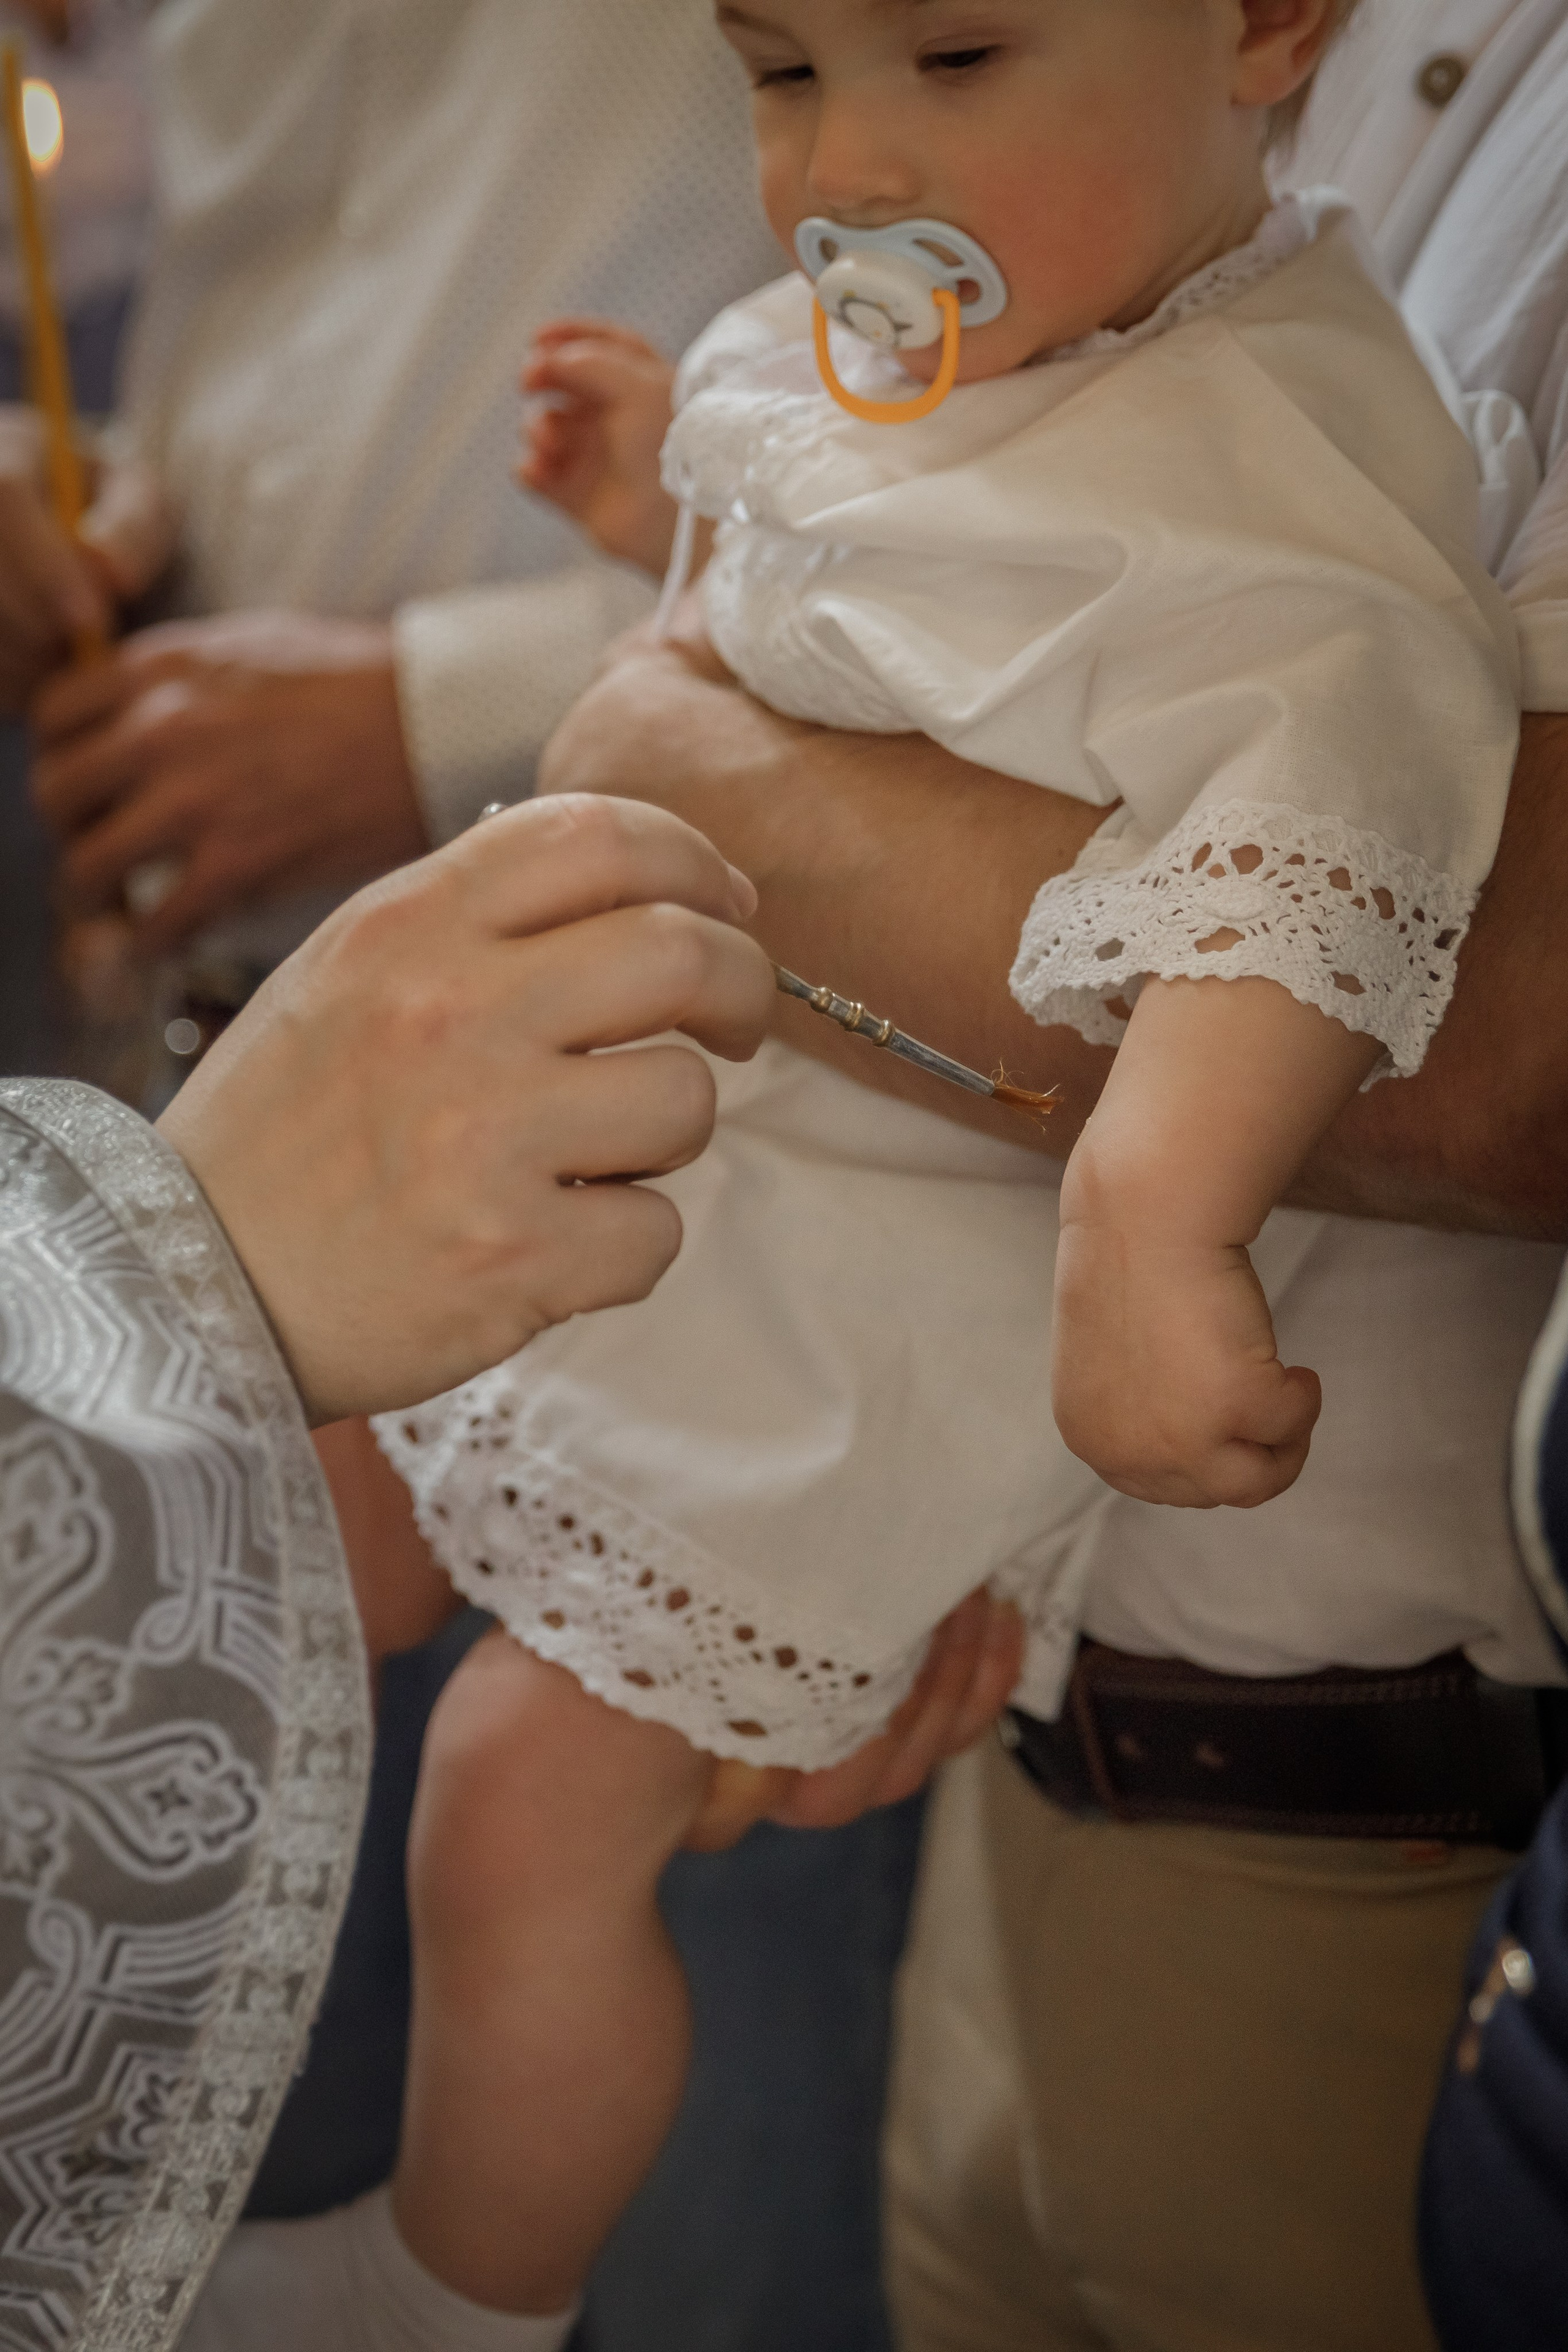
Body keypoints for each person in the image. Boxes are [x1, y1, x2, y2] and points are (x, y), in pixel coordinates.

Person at [309, 0, 1530, 2339]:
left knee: (513, 1811)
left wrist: (1152, 1212)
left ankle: (444, 2291)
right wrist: (675, 471)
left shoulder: (1273, 451)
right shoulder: (1046, 309)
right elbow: (914, 591)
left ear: (1269, 28)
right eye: (777, 72)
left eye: (954, 58)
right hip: (691, 1167)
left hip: (859, 1289)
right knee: (317, 1494)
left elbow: (1327, 826)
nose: (851, 157)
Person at [0, 792, 1015, 2352]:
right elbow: (653, 742)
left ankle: (451, 2299)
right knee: (501, 1794)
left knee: (518, 1797)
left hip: (783, 1243)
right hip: (662, 1215)